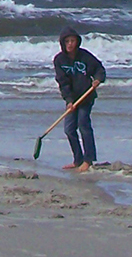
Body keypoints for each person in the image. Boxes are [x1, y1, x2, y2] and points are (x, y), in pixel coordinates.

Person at [52, 26, 106, 172]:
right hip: (72, 99)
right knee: (69, 129)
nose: (70, 44)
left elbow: (99, 69)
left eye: (73, 41)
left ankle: (88, 160)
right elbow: (63, 82)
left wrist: (98, 79)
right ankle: (78, 159)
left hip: (86, 96)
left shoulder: (85, 56)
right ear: (63, 43)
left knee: (83, 124)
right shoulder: (59, 60)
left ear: (77, 42)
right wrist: (69, 100)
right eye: (67, 41)